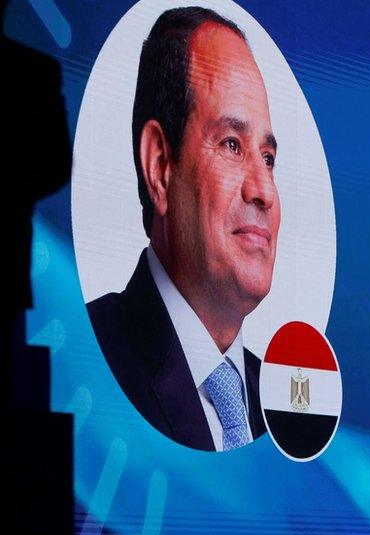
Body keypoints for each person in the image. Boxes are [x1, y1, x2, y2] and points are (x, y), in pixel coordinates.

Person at [87, 7, 280, 452]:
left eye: (268, 158)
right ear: (160, 167)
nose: (264, 191)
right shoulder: (91, 355)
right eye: (232, 145)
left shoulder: (284, 408)